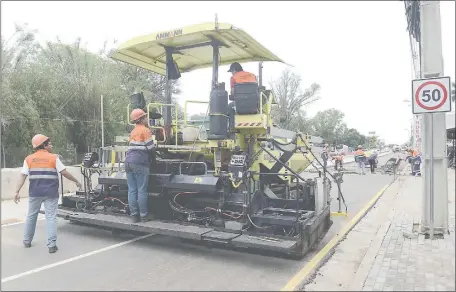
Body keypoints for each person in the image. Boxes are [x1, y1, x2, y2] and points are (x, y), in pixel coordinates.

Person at [13, 134, 82, 253]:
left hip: (35, 193)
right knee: (50, 217)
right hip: (51, 193)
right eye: (49, 144)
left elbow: (23, 175)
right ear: (43, 145)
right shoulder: (54, 158)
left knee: (31, 216)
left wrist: (16, 191)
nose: (52, 145)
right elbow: (64, 173)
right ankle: (51, 245)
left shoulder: (29, 159)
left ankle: (27, 240)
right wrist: (76, 181)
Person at [125, 108, 156, 223]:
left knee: (132, 190)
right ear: (142, 119)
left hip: (128, 162)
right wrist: (155, 159)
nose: (147, 119)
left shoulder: (133, 131)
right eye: (146, 117)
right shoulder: (145, 130)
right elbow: (151, 148)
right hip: (140, 163)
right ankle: (144, 216)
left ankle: (134, 216)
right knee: (142, 190)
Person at [227, 62, 258, 130]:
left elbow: (233, 93)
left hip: (240, 106)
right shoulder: (252, 75)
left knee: (229, 107)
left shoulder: (233, 78)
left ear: (234, 70)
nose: (231, 73)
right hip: (254, 105)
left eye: (231, 71)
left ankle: (232, 127)